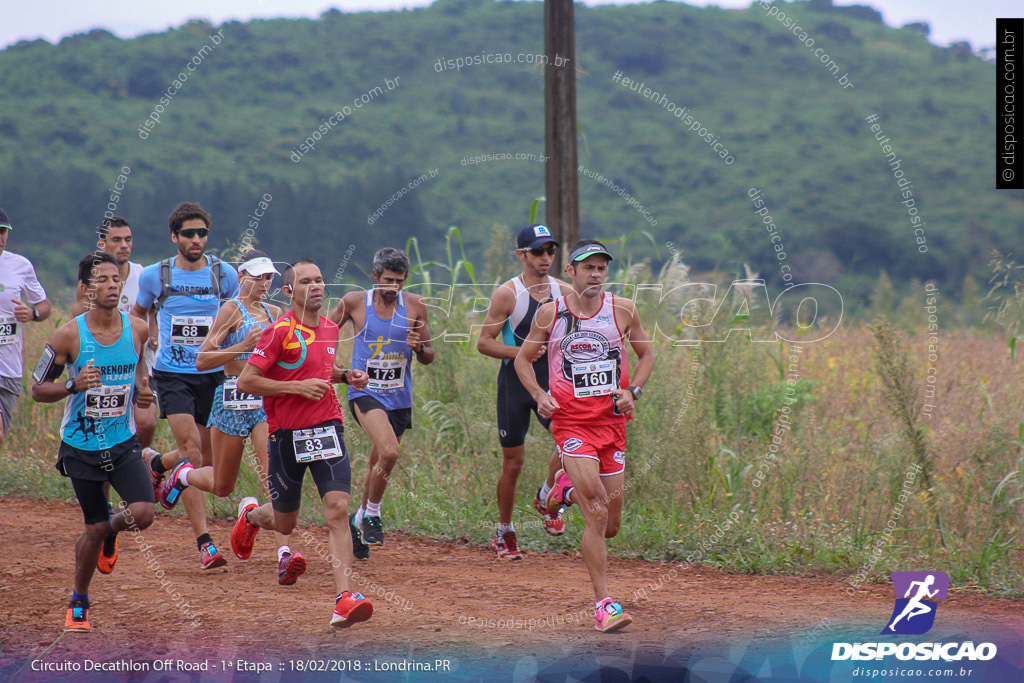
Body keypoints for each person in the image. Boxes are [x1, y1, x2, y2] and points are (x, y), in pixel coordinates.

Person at [514, 240, 654, 633]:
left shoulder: (622, 310)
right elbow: (524, 360)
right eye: (587, 268)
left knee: (609, 525)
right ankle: (604, 604)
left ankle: (562, 492)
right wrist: (540, 396)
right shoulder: (551, 313)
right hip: (572, 424)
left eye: (601, 269)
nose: (595, 274)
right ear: (571, 273)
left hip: (612, 426)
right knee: (595, 509)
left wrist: (633, 392)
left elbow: (647, 355)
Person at [233, 259, 374, 625]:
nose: (316, 287)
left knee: (338, 509)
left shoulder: (329, 329)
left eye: (320, 280)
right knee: (285, 523)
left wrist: (347, 376)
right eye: (307, 281)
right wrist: (295, 388)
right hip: (285, 436)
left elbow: (322, 372)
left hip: (327, 428)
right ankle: (250, 517)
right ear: (289, 291)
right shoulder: (279, 332)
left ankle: (343, 598)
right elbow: (246, 382)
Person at [30, 252, 157, 632]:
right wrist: (73, 384)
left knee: (144, 513)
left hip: (122, 440)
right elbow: (38, 389)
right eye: (103, 279)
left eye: (116, 279)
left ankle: (114, 532)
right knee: (94, 526)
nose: (113, 286)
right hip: (82, 445)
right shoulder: (69, 334)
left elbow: (139, 364)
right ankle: (79, 598)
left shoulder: (137, 328)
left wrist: (142, 388)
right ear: (86, 289)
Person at [163, 249, 298, 584]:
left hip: (263, 404)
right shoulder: (230, 310)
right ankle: (183, 477)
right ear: (241, 277)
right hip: (230, 401)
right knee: (222, 486)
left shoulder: (275, 312)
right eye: (258, 277)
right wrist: (244, 346)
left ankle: (285, 555)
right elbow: (203, 360)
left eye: (269, 278)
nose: (265, 284)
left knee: (275, 480)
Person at [132, 202, 239, 570]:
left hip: (212, 373)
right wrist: (150, 343)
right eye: (189, 234)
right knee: (192, 452)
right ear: (175, 237)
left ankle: (156, 463)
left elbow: (234, 316)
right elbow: (138, 314)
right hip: (173, 374)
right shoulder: (154, 276)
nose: (197, 240)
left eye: (202, 233)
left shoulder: (225, 275)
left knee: (207, 462)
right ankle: (205, 543)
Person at [328, 247, 433, 559]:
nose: (393, 288)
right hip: (365, 392)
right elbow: (325, 334)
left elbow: (429, 356)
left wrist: (420, 349)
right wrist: (335, 371)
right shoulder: (354, 302)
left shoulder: (415, 305)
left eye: (399, 281)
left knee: (380, 462)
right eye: (388, 280)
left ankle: (358, 519)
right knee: (389, 451)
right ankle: (372, 513)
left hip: (399, 397)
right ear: (375, 277)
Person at [477, 224, 572, 560]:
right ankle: (504, 531)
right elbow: (484, 343)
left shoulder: (564, 291)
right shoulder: (508, 294)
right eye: (537, 252)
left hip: (553, 383)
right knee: (513, 463)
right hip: (515, 385)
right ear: (521, 255)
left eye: (550, 251)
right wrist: (523, 353)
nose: (545, 258)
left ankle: (548, 495)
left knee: (572, 444)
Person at [96, 215, 158, 448]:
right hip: (106, 367)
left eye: (128, 239)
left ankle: (138, 461)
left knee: (146, 423)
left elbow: (155, 310)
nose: (124, 245)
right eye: (117, 240)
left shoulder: (144, 275)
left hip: (141, 364)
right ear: (102, 244)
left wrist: (154, 332)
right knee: (107, 433)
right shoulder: (92, 275)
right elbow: (79, 312)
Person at [0, 207, 52, 446]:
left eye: (3, 232)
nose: (0, 238)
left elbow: (45, 306)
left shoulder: (20, 265)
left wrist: (32, 313)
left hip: (8, 368)